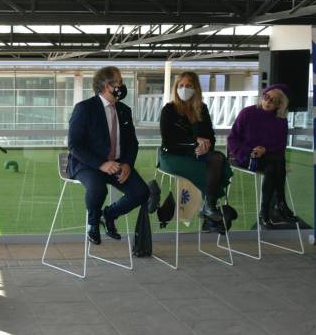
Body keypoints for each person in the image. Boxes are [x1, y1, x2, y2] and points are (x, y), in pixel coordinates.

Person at [68, 66, 149, 244]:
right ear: (106, 85)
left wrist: (127, 164)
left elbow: (132, 143)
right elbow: (75, 145)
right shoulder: (84, 109)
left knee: (141, 192)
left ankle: (108, 215)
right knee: (98, 189)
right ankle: (93, 224)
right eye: (118, 82)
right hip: (88, 164)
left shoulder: (124, 110)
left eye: (121, 82)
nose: (122, 86)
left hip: (118, 164)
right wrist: (102, 164)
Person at [159, 71, 235, 232]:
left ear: (196, 89)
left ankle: (209, 205)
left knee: (218, 158)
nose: (184, 89)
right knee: (212, 166)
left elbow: (210, 137)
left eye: (189, 86)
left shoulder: (202, 109)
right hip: (172, 155)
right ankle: (209, 210)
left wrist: (205, 145)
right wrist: (195, 143)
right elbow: (169, 141)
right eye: (181, 86)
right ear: (176, 88)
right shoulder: (169, 110)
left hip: (197, 153)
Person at [227, 83, 297, 226]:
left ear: (280, 104)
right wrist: (250, 151)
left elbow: (280, 146)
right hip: (245, 155)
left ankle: (266, 211)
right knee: (276, 162)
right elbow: (232, 139)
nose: (268, 102)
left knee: (273, 165)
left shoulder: (281, 120)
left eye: (274, 100)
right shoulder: (247, 113)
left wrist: (264, 150)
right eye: (266, 97)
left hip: (268, 157)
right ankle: (279, 205)